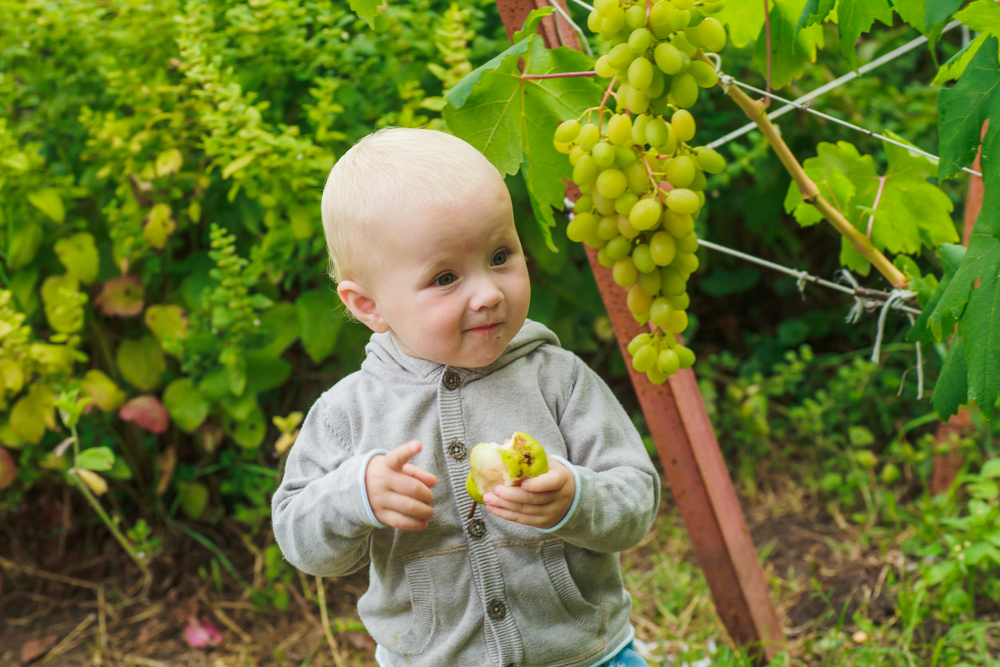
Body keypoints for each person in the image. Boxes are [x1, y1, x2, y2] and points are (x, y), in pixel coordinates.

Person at [271, 127, 660, 667]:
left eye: (501, 255)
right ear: (369, 306)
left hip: (585, 656)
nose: (488, 293)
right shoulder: (349, 412)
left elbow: (637, 500)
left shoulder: (557, 379)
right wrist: (353, 494)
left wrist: (575, 497)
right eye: (446, 276)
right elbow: (300, 539)